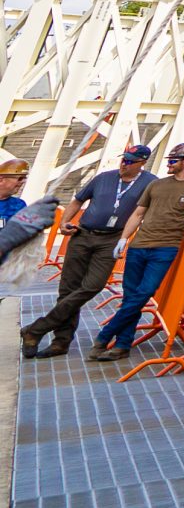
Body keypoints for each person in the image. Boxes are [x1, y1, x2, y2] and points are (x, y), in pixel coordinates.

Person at [21, 144, 154, 360]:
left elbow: (147, 212)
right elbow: (78, 200)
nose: (124, 164)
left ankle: (36, 329)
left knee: (93, 285)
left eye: (130, 161)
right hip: (82, 235)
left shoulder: (150, 183)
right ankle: (60, 342)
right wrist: (64, 222)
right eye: (123, 159)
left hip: (111, 239)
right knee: (68, 290)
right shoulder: (103, 177)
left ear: (142, 163)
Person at [88, 141, 184, 362]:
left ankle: (105, 336)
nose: (169, 165)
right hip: (138, 246)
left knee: (144, 293)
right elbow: (138, 214)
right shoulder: (156, 185)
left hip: (166, 247)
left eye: (173, 161)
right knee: (131, 296)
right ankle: (122, 345)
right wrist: (124, 239)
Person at [0, 157, 25, 227]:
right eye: (20, 178)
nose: (23, 181)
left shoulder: (19, 205)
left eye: (25, 178)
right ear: (1, 180)